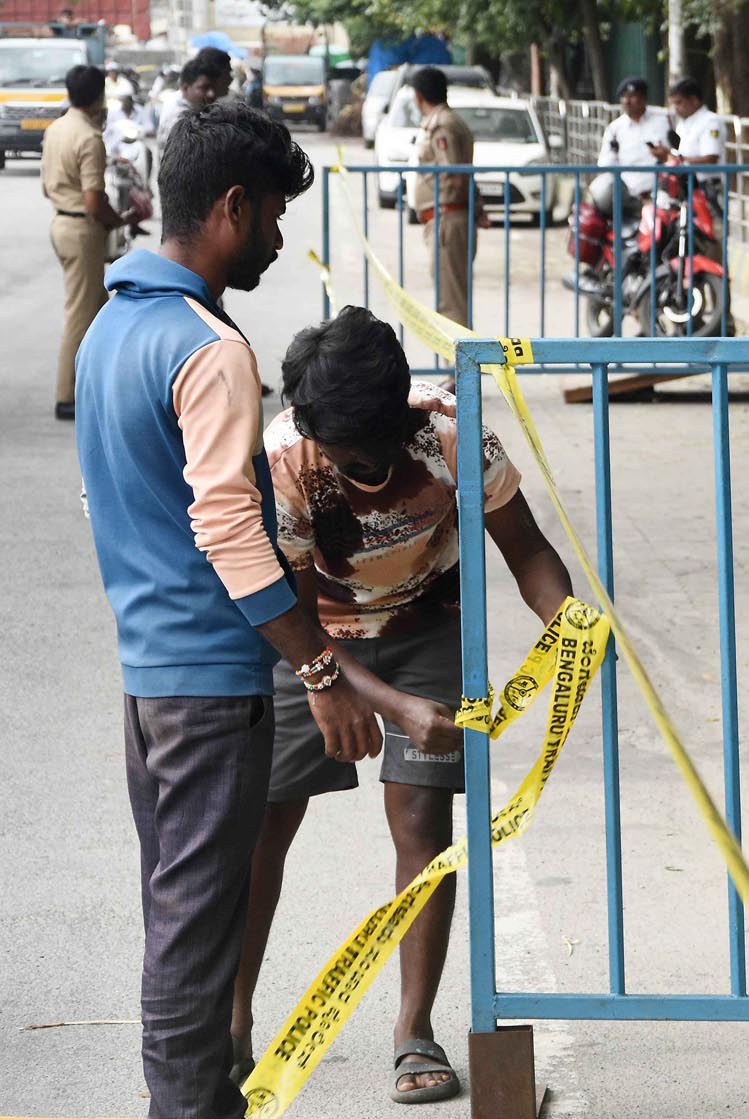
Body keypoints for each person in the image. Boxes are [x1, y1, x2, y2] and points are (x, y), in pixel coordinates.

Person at [75, 101, 461, 1119]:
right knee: (198, 930)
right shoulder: (208, 347)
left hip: (149, 678)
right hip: (208, 686)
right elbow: (232, 534)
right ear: (232, 207)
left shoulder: (111, 326)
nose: (279, 242)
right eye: (275, 220)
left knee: (182, 916)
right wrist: (321, 671)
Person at [227, 306, 573, 1103]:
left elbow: (525, 549)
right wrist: (387, 706)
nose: (337, 459)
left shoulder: (453, 431)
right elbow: (300, 618)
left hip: (426, 626)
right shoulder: (286, 457)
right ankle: (233, 1018)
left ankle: (414, 1029)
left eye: (351, 451)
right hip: (311, 643)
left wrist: (573, 626)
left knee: (422, 825)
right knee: (262, 825)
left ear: (396, 423)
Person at [41, 64, 136, 421]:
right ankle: (67, 397)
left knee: (101, 312)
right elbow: (95, 202)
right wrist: (120, 220)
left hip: (61, 223)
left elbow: (46, 185)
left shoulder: (57, 128)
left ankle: (100, 387)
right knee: (81, 316)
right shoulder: (89, 137)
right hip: (82, 230)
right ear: (100, 96)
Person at [409, 65, 478, 329]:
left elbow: (455, 175)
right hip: (447, 217)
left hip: (448, 217)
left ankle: (460, 370)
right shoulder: (446, 121)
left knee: (451, 304)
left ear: (419, 96)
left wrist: (462, 205)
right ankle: (459, 368)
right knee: (451, 298)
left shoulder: (442, 125)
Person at [598, 76, 670, 200]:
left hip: (661, 193)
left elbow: (677, 153)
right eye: (624, 96)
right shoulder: (615, 128)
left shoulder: (663, 120)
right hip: (629, 195)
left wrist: (665, 156)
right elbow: (605, 163)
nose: (627, 101)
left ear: (643, 98)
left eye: (632, 96)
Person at [664, 77, 724, 166]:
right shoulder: (682, 124)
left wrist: (680, 160)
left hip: (706, 179)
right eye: (673, 104)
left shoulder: (710, 121)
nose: (675, 108)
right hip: (686, 179)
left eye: (679, 102)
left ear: (694, 100)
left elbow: (711, 158)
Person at [157, 58, 219, 141]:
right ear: (186, 88)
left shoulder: (193, 104)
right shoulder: (178, 112)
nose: (211, 94)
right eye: (204, 88)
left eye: (213, 87)